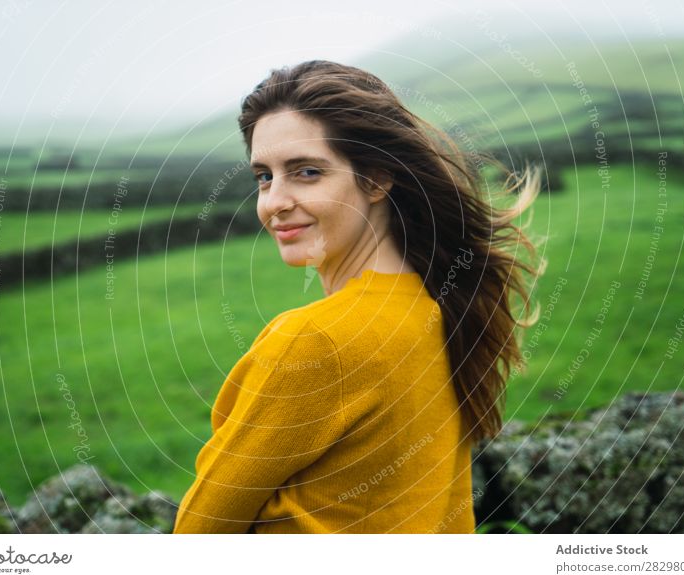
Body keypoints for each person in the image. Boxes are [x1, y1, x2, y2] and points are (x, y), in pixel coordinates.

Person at [173, 59, 543, 534]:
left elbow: (197, 531)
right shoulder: (436, 306)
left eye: (306, 172)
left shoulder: (315, 340)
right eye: (264, 176)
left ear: (376, 179)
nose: (274, 201)